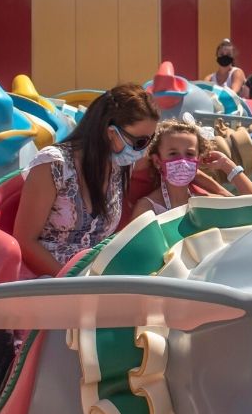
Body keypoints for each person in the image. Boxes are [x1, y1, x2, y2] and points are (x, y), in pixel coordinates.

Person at [14, 83, 159, 276]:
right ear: (110, 132)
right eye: (141, 142)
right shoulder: (53, 165)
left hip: (95, 278)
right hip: (50, 281)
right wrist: (73, 283)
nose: (143, 150)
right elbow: (25, 241)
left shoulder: (120, 162)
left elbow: (168, 156)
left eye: (151, 140)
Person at [130, 119, 252, 219]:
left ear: (198, 160)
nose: (182, 161)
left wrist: (228, 166)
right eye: (173, 154)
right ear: (158, 161)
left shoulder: (206, 202)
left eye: (190, 154)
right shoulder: (148, 208)